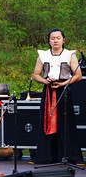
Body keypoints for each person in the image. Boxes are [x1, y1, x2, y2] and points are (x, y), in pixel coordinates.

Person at [32, 28, 83, 165]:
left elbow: (78, 75)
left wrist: (64, 84)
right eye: (52, 38)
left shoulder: (69, 55)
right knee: (47, 121)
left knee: (65, 122)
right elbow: (36, 74)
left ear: (63, 40)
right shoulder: (43, 55)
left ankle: (69, 156)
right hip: (49, 90)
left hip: (64, 90)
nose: (55, 40)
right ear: (49, 40)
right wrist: (45, 81)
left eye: (58, 38)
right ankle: (47, 157)